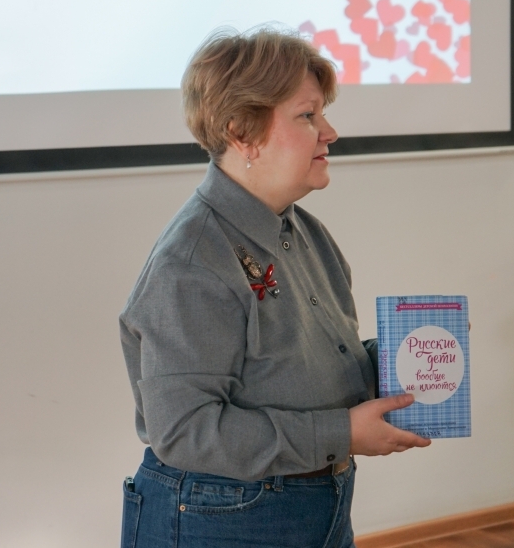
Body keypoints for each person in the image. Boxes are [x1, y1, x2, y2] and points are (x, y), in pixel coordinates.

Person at [118, 27, 431, 548]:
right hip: (222, 519)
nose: (329, 132)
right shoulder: (192, 263)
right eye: (307, 116)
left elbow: (304, 369)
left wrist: (417, 353)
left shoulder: (305, 232)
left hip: (314, 506)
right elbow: (186, 432)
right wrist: (342, 433)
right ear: (242, 132)